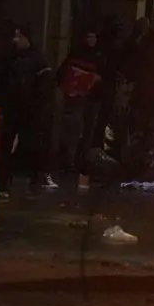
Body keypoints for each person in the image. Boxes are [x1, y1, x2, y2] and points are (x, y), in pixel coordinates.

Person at [2, 26, 53, 195]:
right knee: (8, 142)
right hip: (15, 107)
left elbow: (44, 85)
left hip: (30, 109)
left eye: (19, 37)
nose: (16, 40)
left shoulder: (36, 59)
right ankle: (7, 177)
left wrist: (36, 103)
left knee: (31, 143)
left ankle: (34, 176)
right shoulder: (13, 56)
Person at [56, 29, 105, 189]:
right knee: (76, 128)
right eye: (89, 36)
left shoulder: (99, 55)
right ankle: (71, 159)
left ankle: (81, 160)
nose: (91, 39)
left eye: (94, 36)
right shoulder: (78, 54)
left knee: (87, 129)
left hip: (91, 98)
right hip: (77, 98)